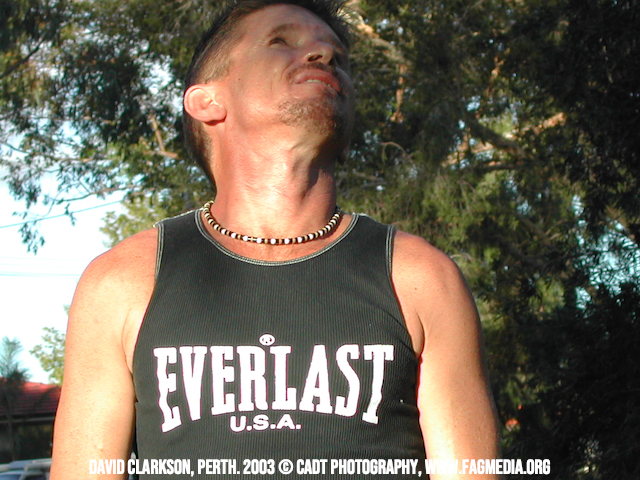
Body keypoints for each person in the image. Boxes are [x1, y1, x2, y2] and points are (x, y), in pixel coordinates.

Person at [51, 0, 499, 478]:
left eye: (338, 56)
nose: (324, 56)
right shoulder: (123, 282)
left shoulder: (419, 277)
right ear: (207, 101)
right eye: (281, 41)